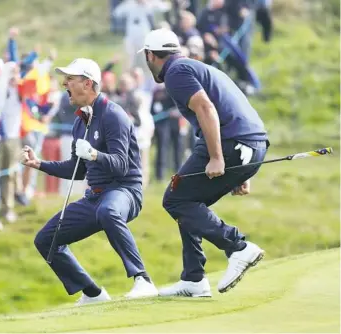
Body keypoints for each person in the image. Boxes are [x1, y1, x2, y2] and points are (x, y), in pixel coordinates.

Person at [139, 28, 269, 297]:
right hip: (250, 144)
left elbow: (207, 108)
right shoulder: (196, 66)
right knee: (187, 200)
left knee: (175, 199)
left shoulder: (175, 72)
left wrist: (218, 157)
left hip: (235, 144)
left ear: (150, 55)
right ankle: (194, 278)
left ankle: (238, 247)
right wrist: (241, 171)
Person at [21, 58, 158, 305]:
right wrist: (39, 164)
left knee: (108, 211)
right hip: (94, 196)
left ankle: (143, 280)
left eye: (70, 80)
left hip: (125, 190)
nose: (65, 84)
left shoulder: (113, 115)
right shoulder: (79, 122)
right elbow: (76, 169)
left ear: (87, 83)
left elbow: (121, 165)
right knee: (45, 240)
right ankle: (93, 293)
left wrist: (94, 154)